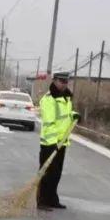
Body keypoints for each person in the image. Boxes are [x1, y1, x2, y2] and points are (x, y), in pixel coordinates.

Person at [37, 71, 80, 211]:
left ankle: (52, 199)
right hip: (50, 143)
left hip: (62, 142)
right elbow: (50, 123)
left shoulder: (66, 98)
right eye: (61, 81)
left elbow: (65, 116)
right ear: (54, 81)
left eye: (66, 82)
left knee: (56, 173)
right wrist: (53, 144)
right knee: (47, 173)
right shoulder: (49, 99)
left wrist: (74, 115)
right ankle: (42, 200)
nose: (64, 84)